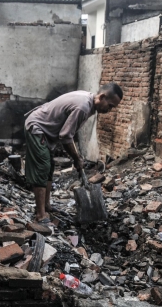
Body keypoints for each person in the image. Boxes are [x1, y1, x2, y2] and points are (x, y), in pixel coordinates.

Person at [24, 83, 123, 224]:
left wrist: (77, 157)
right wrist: (76, 158)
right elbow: (65, 136)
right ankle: (40, 215)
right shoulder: (82, 107)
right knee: (42, 167)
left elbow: (69, 131)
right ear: (102, 97)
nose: (110, 110)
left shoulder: (88, 101)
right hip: (37, 126)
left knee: (49, 167)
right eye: (110, 105)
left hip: (45, 129)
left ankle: (46, 206)